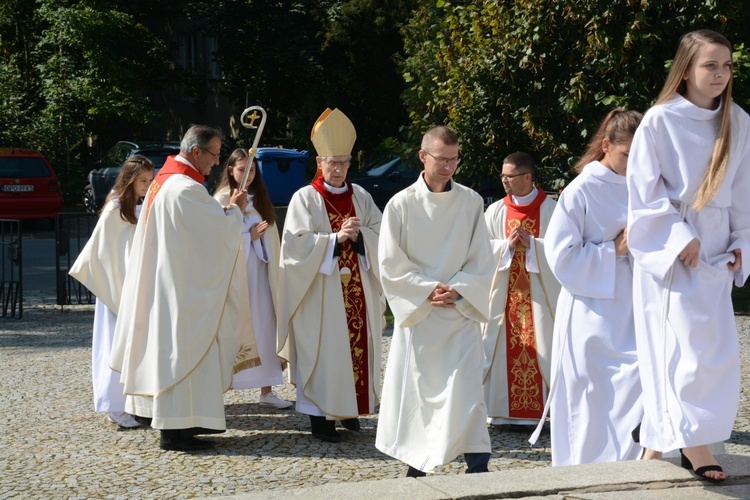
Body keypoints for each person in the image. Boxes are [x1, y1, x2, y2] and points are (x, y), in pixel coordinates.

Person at [627, 29, 750, 482]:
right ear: (686, 69)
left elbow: (743, 193)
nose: (720, 74)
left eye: (727, 65)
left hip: (717, 248)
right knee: (677, 348)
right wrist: (678, 236)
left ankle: (654, 450)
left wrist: (742, 243)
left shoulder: (739, 120)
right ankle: (694, 447)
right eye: (710, 65)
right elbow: (644, 190)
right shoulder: (660, 121)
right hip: (674, 248)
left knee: (714, 351)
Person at [110, 124, 259, 452]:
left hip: (168, 287)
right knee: (185, 356)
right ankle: (177, 431)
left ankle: (180, 428)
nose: (216, 162)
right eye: (215, 154)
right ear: (196, 152)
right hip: (183, 294)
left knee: (172, 356)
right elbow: (216, 235)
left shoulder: (164, 182)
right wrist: (235, 210)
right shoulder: (184, 189)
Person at [376, 125, 494, 477]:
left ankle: (477, 462)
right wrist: (428, 289)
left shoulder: (471, 201)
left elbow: (481, 259)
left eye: (453, 159)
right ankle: (418, 464)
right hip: (423, 315)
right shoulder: (400, 204)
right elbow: (390, 262)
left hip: (459, 311)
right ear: (422, 156)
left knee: (467, 388)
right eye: (441, 159)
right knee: (421, 393)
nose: (447, 167)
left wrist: (457, 288)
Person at [539, 109, 647, 465]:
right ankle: (583, 474)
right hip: (591, 313)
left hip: (635, 307)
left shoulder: (647, 185)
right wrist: (612, 250)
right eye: (628, 155)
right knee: (592, 399)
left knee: (640, 387)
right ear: (605, 146)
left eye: (642, 154)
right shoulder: (582, 189)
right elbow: (560, 257)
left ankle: (631, 474)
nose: (635, 163)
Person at [277, 108, 385, 443]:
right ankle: (321, 420)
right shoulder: (305, 199)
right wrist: (332, 241)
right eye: (332, 163)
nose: (338, 170)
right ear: (319, 162)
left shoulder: (361, 196)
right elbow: (294, 247)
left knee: (355, 351)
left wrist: (362, 236)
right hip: (321, 295)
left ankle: (351, 410)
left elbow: (384, 235)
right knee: (326, 353)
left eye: (344, 162)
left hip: (358, 291)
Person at [69, 155, 154, 429]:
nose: (147, 185)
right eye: (143, 181)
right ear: (129, 180)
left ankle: (132, 402)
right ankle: (114, 405)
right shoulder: (115, 208)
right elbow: (102, 252)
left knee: (133, 345)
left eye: (150, 181)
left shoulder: (139, 205)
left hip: (133, 285)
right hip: (116, 288)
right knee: (113, 344)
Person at [481, 152, 560, 431]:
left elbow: (563, 252)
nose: (504, 181)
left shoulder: (552, 211)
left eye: (510, 176)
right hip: (505, 296)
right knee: (501, 346)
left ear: (528, 177)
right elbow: (480, 253)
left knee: (546, 347)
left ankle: (544, 412)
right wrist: (506, 246)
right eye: (502, 175)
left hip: (540, 298)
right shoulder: (495, 212)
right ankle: (501, 413)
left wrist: (535, 246)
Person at [214, 148, 292, 409]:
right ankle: (220, 388)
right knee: (233, 330)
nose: (247, 176)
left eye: (252, 171)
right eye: (242, 170)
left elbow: (272, 237)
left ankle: (267, 390)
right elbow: (218, 241)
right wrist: (250, 238)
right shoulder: (221, 199)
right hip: (236, 278)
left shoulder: (260, 199)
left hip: (261, 274)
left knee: (265, 327)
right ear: (230, 170)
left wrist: (261, 241)